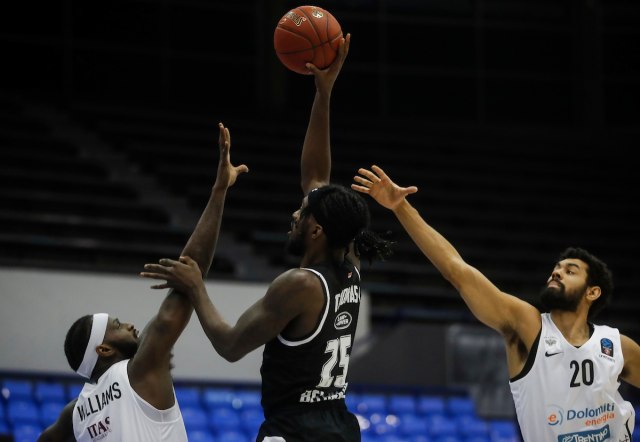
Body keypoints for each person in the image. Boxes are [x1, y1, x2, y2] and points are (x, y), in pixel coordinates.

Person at [140, 34, 393, 442]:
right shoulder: (350, 263)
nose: (294, 214)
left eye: (302, 214)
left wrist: (197, 288)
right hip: (340, 427)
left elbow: (231, 344)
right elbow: (316, 178)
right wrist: (323, 94)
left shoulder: (299, 285)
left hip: (295, 430)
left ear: (316, 230)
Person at [351, 164, 640, 441]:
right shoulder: (527, 325)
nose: (556, 271)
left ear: (593, 292)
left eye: (570, 270)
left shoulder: (616, 345)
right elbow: (458, 272)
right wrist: (401, 207)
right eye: (557, 267)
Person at [37, 123, 248, 442]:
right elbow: (188, 275)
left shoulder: (75, 412)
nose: (131, 325)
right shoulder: (139, 369)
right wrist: (219, 192)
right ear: (104, 348)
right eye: (118, 325)